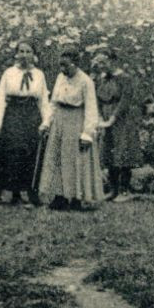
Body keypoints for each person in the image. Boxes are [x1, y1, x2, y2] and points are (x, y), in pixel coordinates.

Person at [38, 50, 103, 211]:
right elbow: (53, 102)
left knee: (75, 159)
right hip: (59, 121)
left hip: (76, 121)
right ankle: (59, 196)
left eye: (65, 65)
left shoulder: (86, 81)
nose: (62, 69)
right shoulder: (61, 78)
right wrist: (46, 122)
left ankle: (76, 197)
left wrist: (87, 133)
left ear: (75, 64)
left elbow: (91, 108)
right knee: (58, 158)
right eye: (61, 65)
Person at [0, 43, 50, 205]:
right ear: (16, 54)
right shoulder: (9, 73)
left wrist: (46, 121)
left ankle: (32, 193)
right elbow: (1, 98)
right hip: (13, 113)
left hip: (31, 114)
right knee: (13, 150)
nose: (24, 55)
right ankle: (13, 192)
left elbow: (43, 100)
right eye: (21, 51)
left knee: (31, 151)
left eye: (28, 52)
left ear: (33, 54)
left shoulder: (39, 74)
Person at [95, 57, 141, 201]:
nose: (101, 66)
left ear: (112, 62)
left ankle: (124, 190)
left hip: (122, 119)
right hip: (106, 117)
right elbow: (98, 100)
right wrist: (101, 117)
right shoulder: (102, 79)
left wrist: (113, 118)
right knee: (109, 152)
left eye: (104, 62)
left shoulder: (125, 78)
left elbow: (125, 101)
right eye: (99, 63)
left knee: (123, 152)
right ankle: (113, 190)